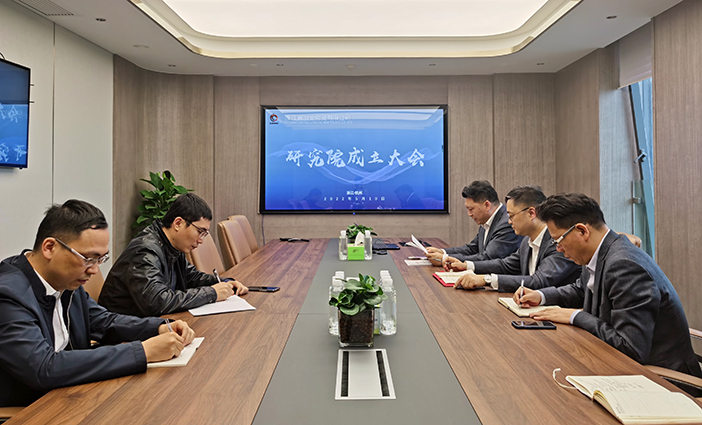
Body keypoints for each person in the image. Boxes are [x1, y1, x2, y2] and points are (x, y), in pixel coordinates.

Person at [0, 200, 195, 408]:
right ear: (50, 248)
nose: (94, 270)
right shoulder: (8, 295)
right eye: (88, 258)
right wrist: (143, 352)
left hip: (73, 395)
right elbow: (43, 368)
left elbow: (104, 321)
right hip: (32, 410)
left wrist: (160, 327)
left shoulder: (65, 282)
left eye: (100, 259)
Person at [515, 193, 702, 377]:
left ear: (582, 231)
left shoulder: (625, 265)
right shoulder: (600, 251)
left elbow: (630, 348)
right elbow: (581, 289)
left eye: (559, 241)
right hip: (616, 363)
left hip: (662, 379)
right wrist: (541, 296)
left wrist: (575, 316)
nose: (558, 249)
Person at [99, 193, 248, 317]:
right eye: (200, 232)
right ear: (178, 223)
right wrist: (211, 293)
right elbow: (157, 302)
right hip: (123, 332)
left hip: (147, 323)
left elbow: (191, 277)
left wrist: (223, 282)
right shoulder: (145, 251)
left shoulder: (171, 245)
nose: (201, 240)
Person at [447, 186, 580, 292]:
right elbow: (506, 265)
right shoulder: (526, 241)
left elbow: (538, 281)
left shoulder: (558, 242)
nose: (509, 222)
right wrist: (467, 265)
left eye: (511, 216)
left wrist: (487, 280)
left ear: (531, 213)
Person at [426, 180, 521, 264]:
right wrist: (442, 252)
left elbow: (488, 258)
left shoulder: (507, 223)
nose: (469, 214)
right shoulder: (487, 220)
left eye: (471, 209)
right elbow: (472, 248)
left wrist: (445, 258)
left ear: (487, 205)